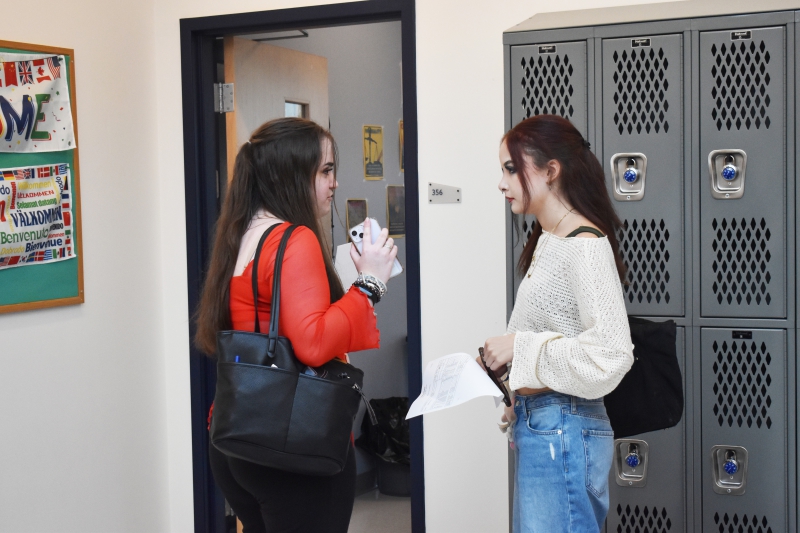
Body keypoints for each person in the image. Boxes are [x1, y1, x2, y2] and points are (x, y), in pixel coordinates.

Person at [194, 117, 397, 533]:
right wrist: (370, 285)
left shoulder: (243, 233)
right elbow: (313, 342)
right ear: (292, 172)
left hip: (236, 440)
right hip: (290, 445)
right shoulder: (295, 238)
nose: (334, 183)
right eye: (324, 171)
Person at [480, 115, 634, 533]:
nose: (502, 182)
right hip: (547, 426)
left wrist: (521, 349)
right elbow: (558, 333)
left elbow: (612, 354)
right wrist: (514, 386)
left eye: (511, 169)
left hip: (563, 428)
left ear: (551, 171)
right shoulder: (550, 239)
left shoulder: (584, 247)